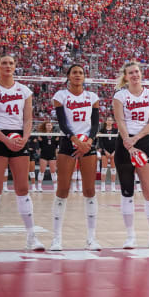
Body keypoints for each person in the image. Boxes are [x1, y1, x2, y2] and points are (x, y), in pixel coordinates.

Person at [0, 55, 43, 252]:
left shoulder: (24, 90)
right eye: (4, 63)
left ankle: (31, 236)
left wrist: (24, 138)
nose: (7, 66)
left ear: (15, 67)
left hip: (19, 138)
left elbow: (28, 119)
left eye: (11, 63)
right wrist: (5, 140)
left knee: (23, 188)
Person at [113, 61, 149, 249]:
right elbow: (120, 121)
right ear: (125, 76)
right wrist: (128, 141)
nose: (135, 75)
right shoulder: (120, 95)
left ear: (141, 74)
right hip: (124, 143)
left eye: (137, 71)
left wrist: (136, 139)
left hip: (143, 141)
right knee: (127, 191)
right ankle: (130, 236)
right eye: (131, 72)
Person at [50, 64, 101, 251]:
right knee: (62, 190)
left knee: (89, 190)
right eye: (74, 73)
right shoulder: (60, 96)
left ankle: (91, 238)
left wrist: (88, 141)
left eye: (80, 73)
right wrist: (75, 140)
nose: (78, 75)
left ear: (84, 77)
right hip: (68, 143)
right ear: (68, 76)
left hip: (88, 143)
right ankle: (56, 238)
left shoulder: (92, 97)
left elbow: (95, 124)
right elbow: (62, 123)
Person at [36, 120, 59, 192]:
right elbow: (38, 145)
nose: (49, 126)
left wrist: (57, 153)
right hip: (44, 154)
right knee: (42, 170)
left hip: (52, 154)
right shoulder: (41, 134)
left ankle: (55, 187)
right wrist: (38, 146)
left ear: (52, 126)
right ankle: (39, 186)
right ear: (45, 126)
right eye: (47, 125)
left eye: (50, 125)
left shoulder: (55, 135)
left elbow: (57, 145)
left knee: (53, 171)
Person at [98, 115, 119, 192]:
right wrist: (105, 150)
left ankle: (113, 186)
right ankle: (102, 186)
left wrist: (114, 151)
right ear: (106, 121)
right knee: (104, 169)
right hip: (105, 151)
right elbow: (100, 142)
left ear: (113, 122)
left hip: (114, 151)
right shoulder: (102, 130)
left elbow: (118, 142)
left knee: (113, 169)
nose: (110, 121)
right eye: (108, 120)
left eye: (111, 120)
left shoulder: (116, 130)